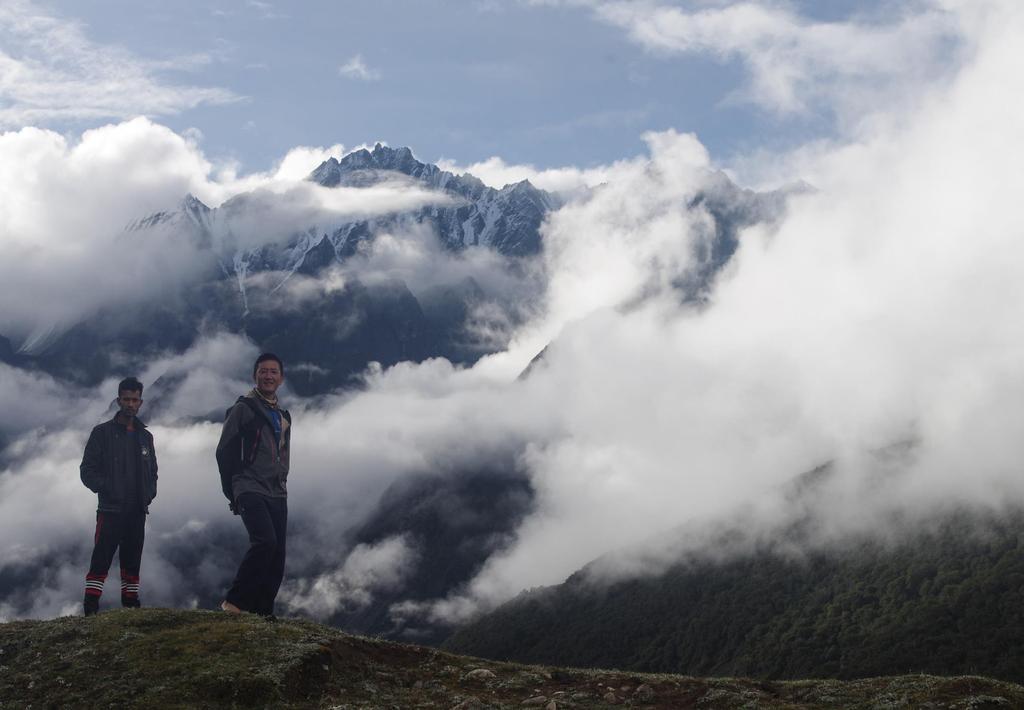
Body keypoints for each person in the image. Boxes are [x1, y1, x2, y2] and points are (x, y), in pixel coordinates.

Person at [216, 353, 291, 618]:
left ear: (281, 378)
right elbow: (224, 451)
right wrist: (233, 491)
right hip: (248, 486)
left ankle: (262, 611)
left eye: (273, 372)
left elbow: (283, 453)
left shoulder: (283, 416)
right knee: (265, 542)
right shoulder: (243, 409)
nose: (268, 376)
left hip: (276, 491)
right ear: (255, 375)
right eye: (263, 371)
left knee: (277, 555)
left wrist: (282, 479)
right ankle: (234, 603)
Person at [80, 377, 158, 616]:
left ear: (141, 402)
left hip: (137, 509)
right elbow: (87, 470)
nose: (131, 404)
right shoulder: (102, 433)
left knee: (133, 558)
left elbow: (153, 471)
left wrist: (149, 494)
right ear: (118, 400)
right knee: (102, 558)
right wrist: (107, 488)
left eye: (135, 400)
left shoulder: (146, 437)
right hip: (111, 509)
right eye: (126, 399)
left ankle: (131, 606)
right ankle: (91, 607)